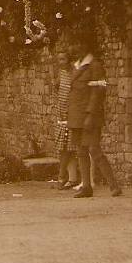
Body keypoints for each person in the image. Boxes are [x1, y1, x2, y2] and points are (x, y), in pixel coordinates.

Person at [67, 35, 122, 199]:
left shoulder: (95, 66)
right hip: (76, 116)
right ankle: (86, 187)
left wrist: (90, 114)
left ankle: (114, 185)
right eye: (73, 44)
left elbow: (98, 93)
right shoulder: (76, 66)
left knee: (94, 150)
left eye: (78, 43)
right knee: (81, 151)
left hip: (89, 116)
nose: (75, 48)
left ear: (86, 46)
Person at [53, 50, 80, 189]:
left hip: (71, 114)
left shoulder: (74, 73)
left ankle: (62, 176)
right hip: (61, 114)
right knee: (63, 147)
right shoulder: (61, 73)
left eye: (63, 59)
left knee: (68, 148)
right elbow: (58, 87)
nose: (61, 62)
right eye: (59, 59)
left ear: (69, 60)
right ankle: (72, 178)